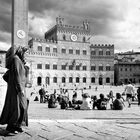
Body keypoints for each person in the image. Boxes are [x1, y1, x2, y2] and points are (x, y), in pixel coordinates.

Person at [0, 46, 29, 134]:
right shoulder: (16, 59)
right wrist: (19, 88)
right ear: (22, 52)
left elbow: (23, 75)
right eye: (26, 53)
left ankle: (17, 125)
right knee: (17, 108)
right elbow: (16, 74)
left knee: (22, 107)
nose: (27, 55)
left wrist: (26, 67)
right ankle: (11, 127)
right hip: (17, 89)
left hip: (20, 87)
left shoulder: (20, 61)